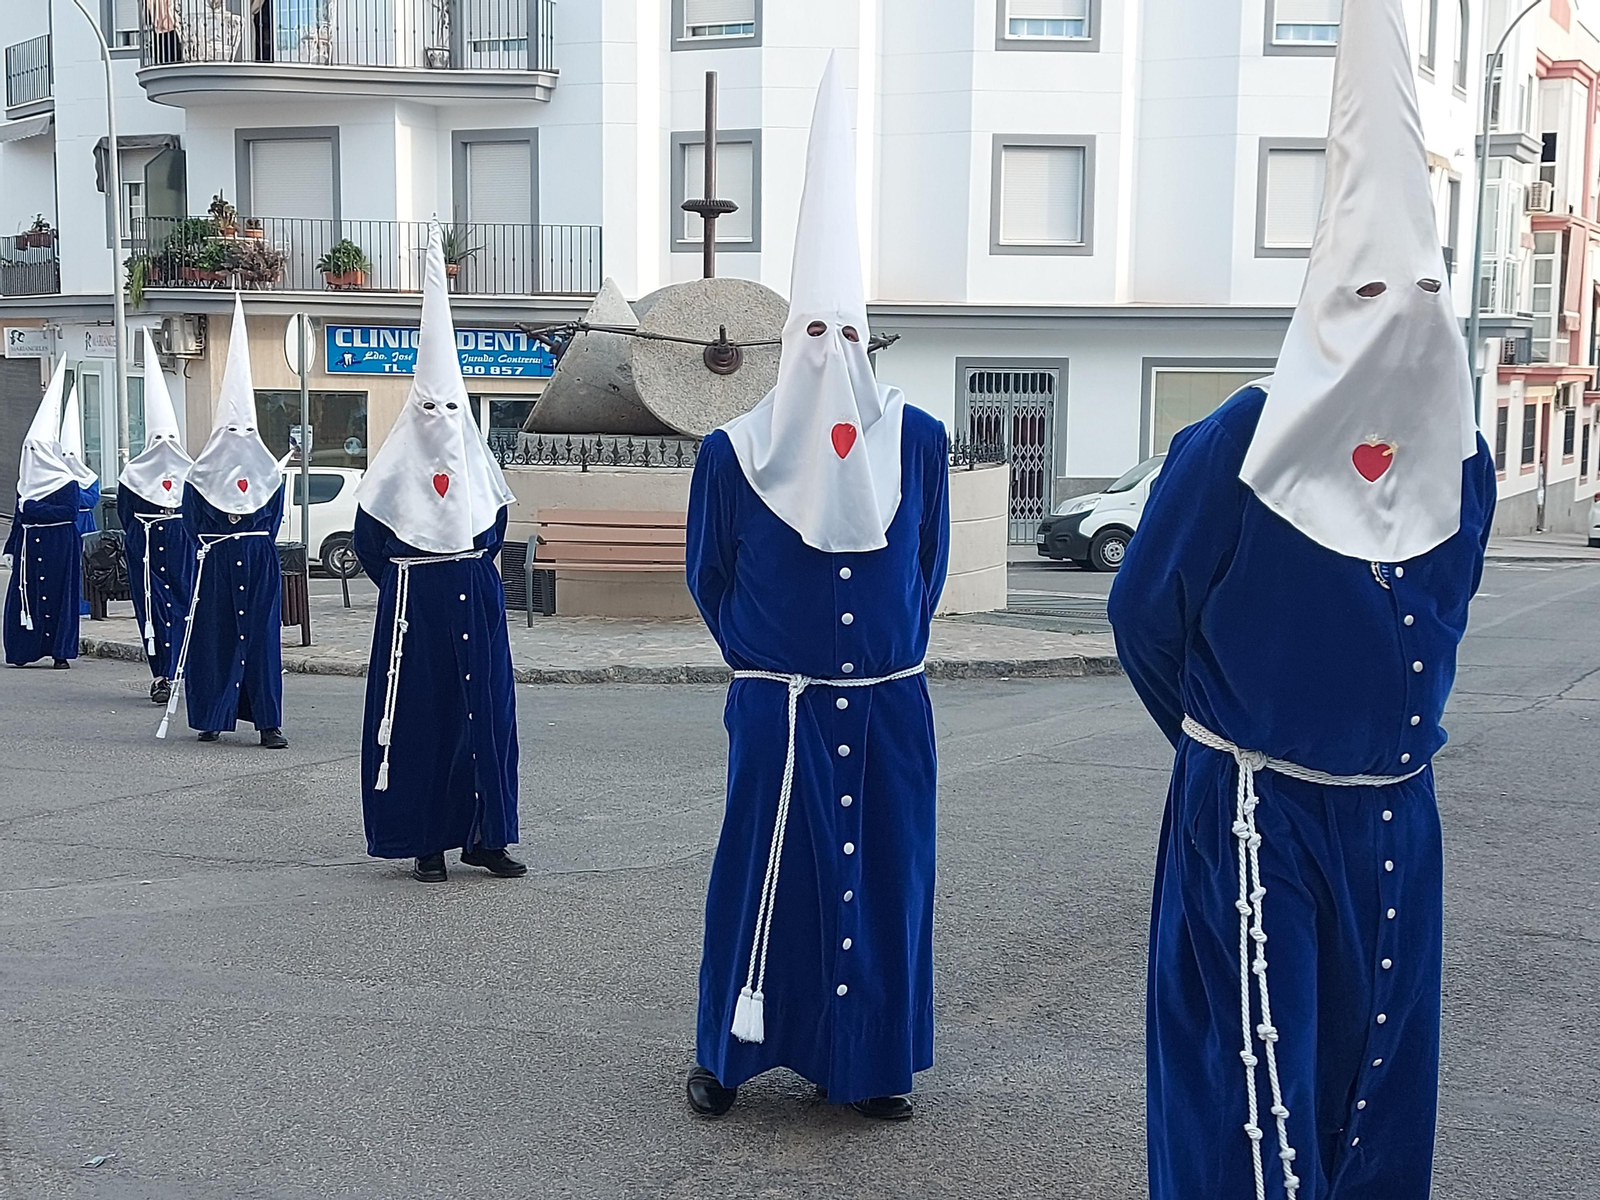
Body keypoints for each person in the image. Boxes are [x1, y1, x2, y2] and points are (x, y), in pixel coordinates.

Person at [1108, 2, 1495, 1197]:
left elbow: (1443, 615)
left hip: (1397, 823)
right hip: (1254, 815)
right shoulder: (1240, 442)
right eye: (1370, 292)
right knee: (1250, 1096)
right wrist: (1230, 742)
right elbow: (1145, 617)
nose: (1398, 322)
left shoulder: (1463, 459)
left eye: (1421, 293)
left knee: (1376, 1079)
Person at [683, 55, 950, 1122]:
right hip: (777, 705)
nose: (832, 356)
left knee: (885, 878)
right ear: (785, 343)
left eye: (848, 334)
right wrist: (767, 658)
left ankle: (868, 1062)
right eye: (813, 334)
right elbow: (710, 575)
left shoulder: (916, 441)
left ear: (866, 338)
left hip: (889, 705)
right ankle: (731, 1053)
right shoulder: (733, 453)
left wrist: (881, 650)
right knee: (762, 870)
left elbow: (925, 566)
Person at [352, 223, 523, 885]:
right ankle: (425, 840)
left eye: (452, 407)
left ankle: (487, 836)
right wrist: (413, 582)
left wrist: (460, 571)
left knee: (487, 720)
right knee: (422, 721)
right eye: (431, 407)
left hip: (475, 603)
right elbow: (370, 547)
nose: (442, 417)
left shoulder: (480, 473)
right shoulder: (388, 477)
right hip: (413, 609)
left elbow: (494, 530)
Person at [157, 294, 288, 749]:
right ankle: (211, 716)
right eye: (231, 431)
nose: (239, 440)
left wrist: (247, 539)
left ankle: (268, 722)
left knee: (261, 642)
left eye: (245, 432)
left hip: (257, 560)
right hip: (214, 563)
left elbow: (274, 518)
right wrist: (221, 541)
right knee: (213, 639)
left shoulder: (269, 474)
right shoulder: (199, 476)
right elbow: (191, 522)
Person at [118, 327, 197, 705]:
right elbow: (125, 512)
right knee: (153, 607)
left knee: (184, 604)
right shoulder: (133, 473)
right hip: (146, 545)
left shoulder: (190, 470)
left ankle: (185, 666)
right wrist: (141, 535)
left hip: (181, 543)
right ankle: (162, 673)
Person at [4, 359, 82, 669]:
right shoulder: (25, 483)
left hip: (59, 544)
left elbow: (69, 511)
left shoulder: (65, 481)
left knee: (58, 595)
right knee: (27, 593)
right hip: (29, 544)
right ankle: (24, 649)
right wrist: (10, 547)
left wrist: (34, 509)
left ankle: (59, 650)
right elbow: (18, 516)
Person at [59, 382, 100, 617]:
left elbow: (90, 500)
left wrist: (72, 489)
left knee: (85, 565)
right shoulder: (55, 478)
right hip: (67, 524)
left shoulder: (89, 478)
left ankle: (86, 604)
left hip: (84, 524)